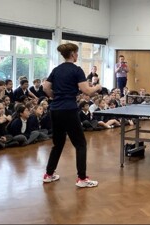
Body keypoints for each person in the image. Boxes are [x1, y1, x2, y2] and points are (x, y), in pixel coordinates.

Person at [42, 43, 102, 188]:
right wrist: (98, 87)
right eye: (77, 53)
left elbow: (45, 87)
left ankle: (49, 175)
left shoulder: (56, 70)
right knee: (80, 144)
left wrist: (54, 97)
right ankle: (82, 178)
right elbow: (87, 91)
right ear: (73, 54)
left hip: (55, 109)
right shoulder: (77, 70)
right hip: (69, 109)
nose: (77, 55)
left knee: (58, 144)